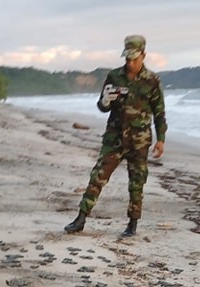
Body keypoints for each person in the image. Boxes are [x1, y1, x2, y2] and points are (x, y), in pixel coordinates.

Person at [64, 35, 167, 238]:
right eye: (127, 58)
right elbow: (102, 107)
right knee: (97, 177)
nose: (130, 63)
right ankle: (81, 218)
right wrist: (105, 101)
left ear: (143, 55)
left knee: (137, 183)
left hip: (139, 141)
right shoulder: (114, 77)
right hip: (114, 138)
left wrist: (161, 139)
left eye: (134, 59)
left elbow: (159, 112)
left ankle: (132, 224)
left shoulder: (152, 80)